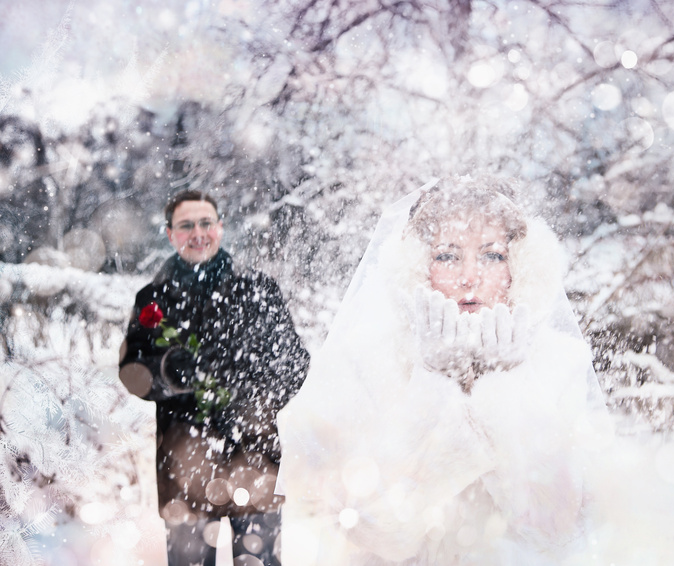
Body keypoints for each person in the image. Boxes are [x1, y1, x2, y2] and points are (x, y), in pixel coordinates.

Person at [275, 176, 609, 565]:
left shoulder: (559, 363)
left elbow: (559, 530)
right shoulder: (366, 360)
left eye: (492, 255)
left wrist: (508, 386)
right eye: (448, 255)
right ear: (417, 265)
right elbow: (368, 526)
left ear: (519, 266)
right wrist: (432, 388)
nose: (470, 276)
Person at [119, 189, 310, 566]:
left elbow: (295, 363)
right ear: (171, 234)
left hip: (253, 463)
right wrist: (168, 373)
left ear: (220, 228)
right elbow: (130, 372)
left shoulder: (259, 290)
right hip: (184, 465)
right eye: (186, 225)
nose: (198, 233)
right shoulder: (153, 299)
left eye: (205, 223)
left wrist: (252, 396)